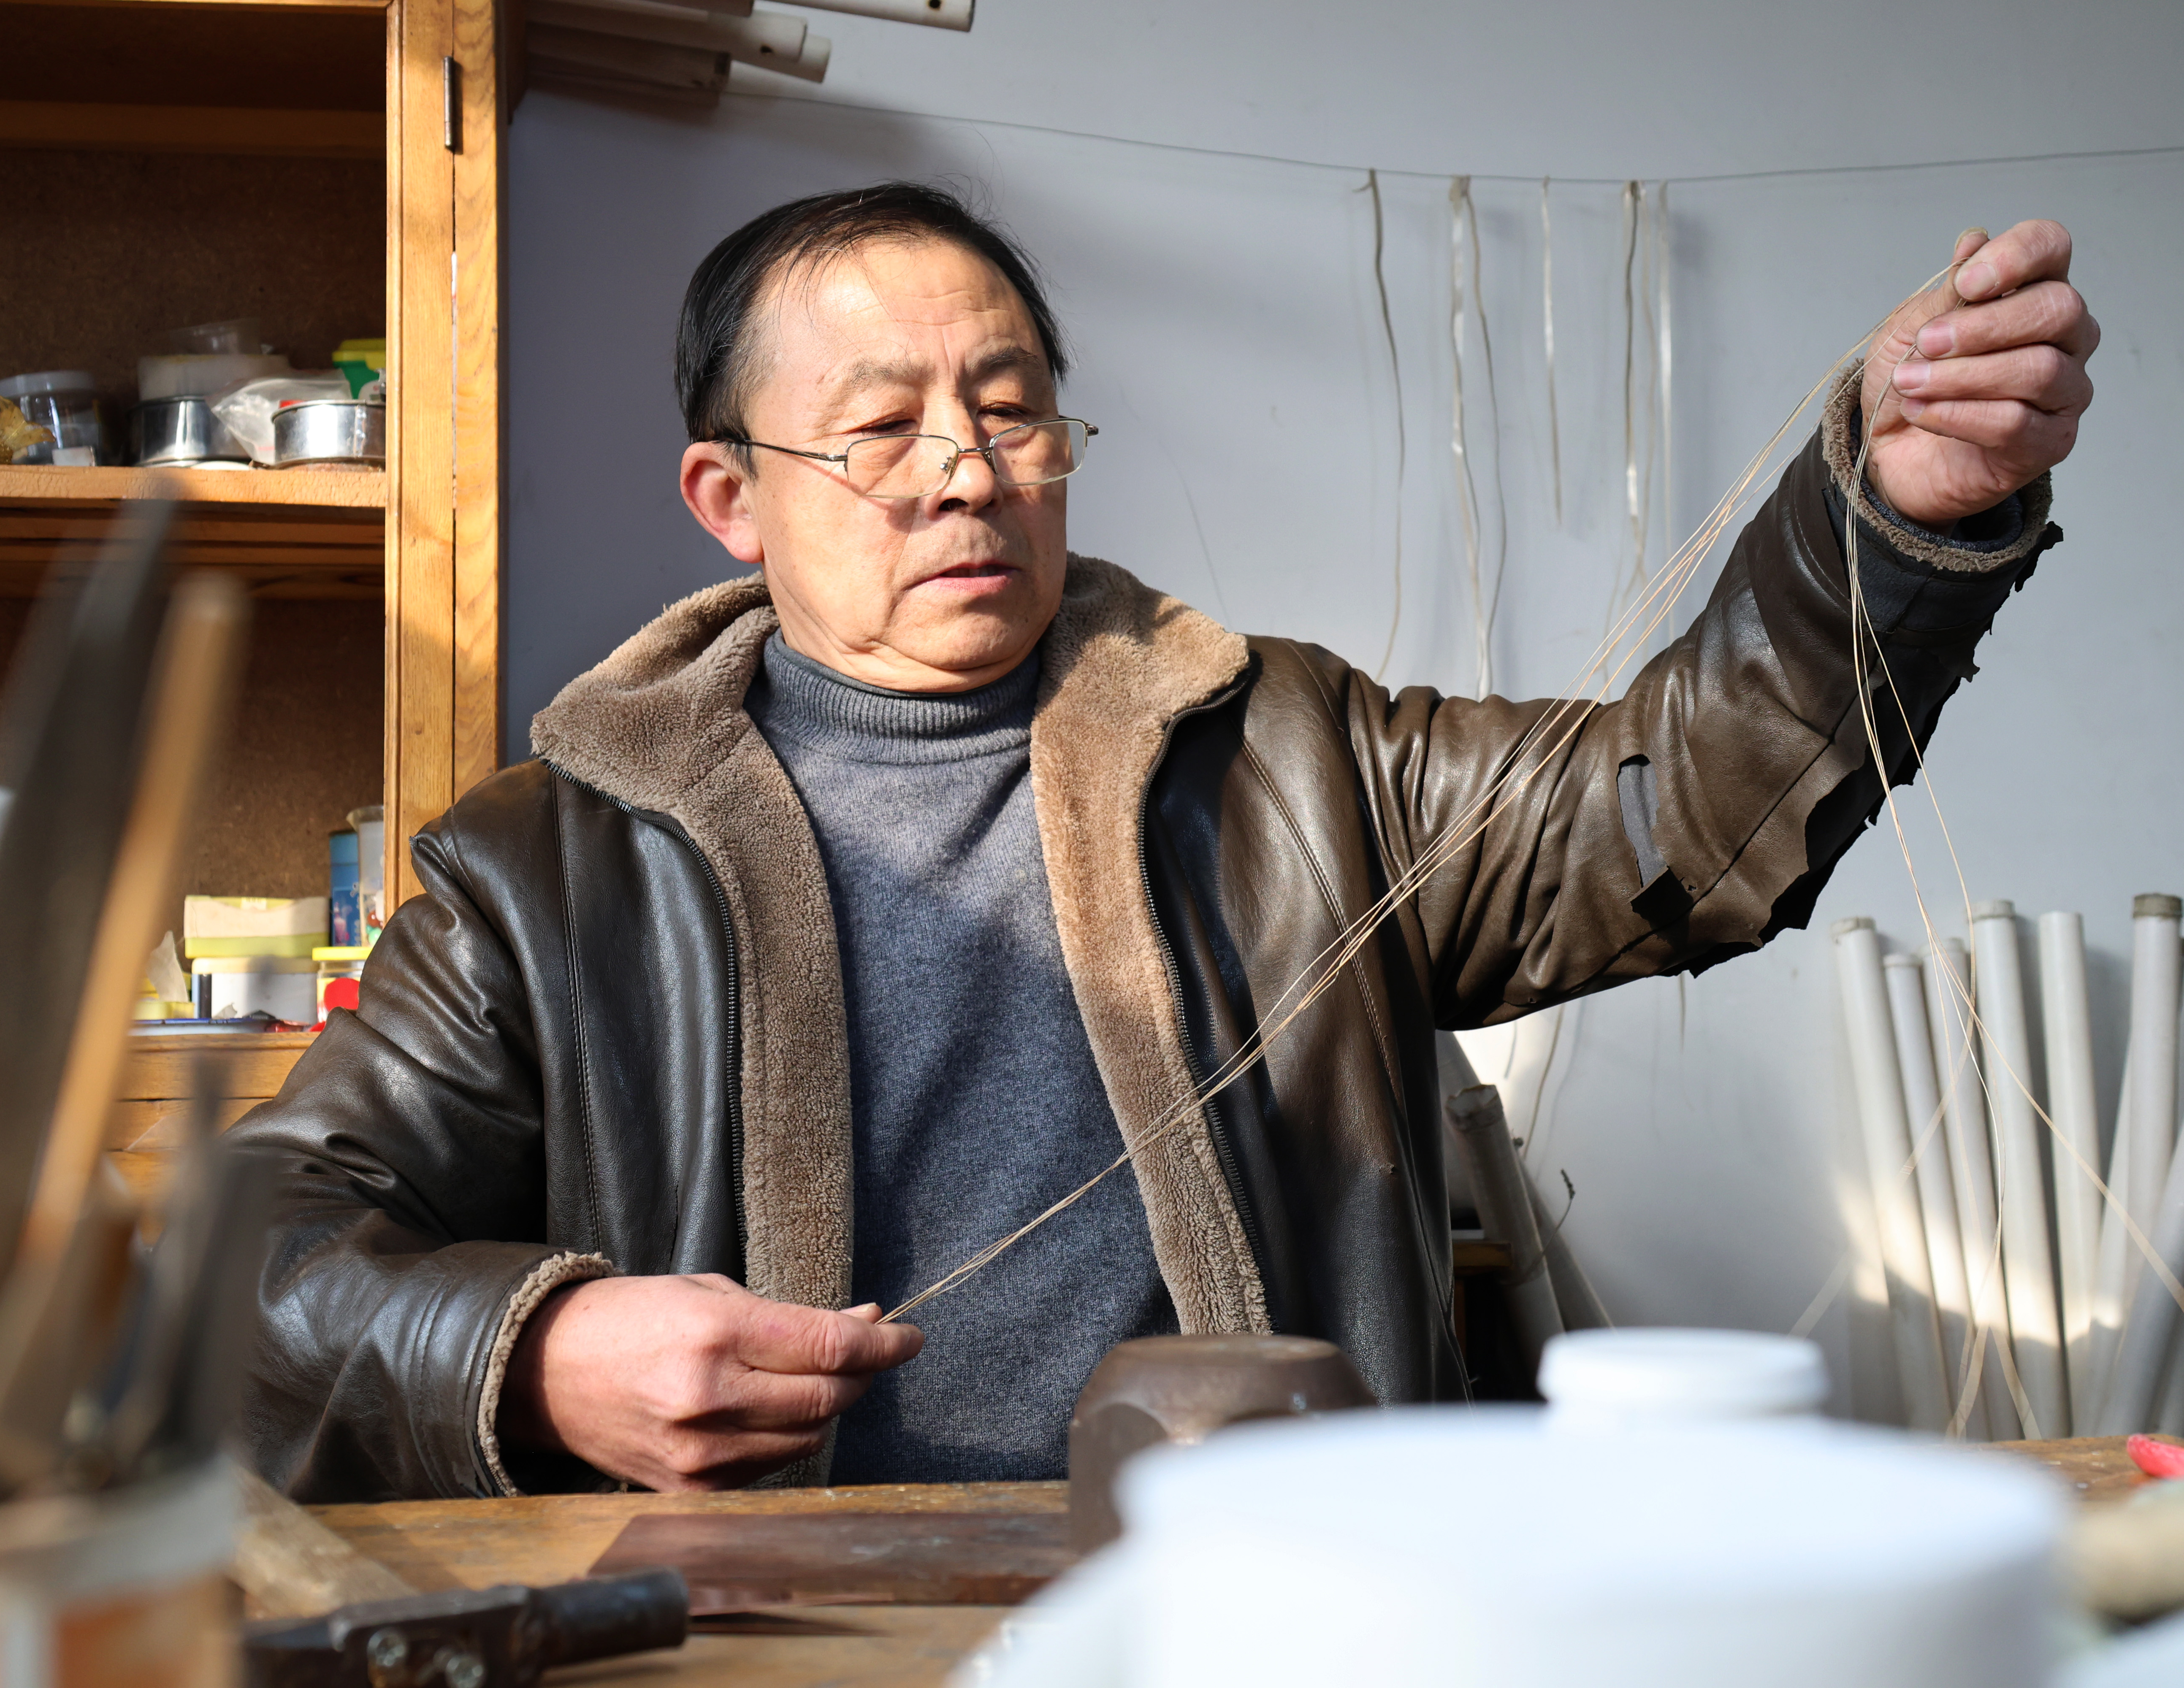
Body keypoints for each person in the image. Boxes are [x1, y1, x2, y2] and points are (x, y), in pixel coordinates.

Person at [236, 184, 2094, 1501]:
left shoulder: (1290, 753)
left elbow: (1666, 810)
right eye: (881, 431)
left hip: (1265, 1607)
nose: (967, 473)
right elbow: (255, 1251)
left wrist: (1891, 520)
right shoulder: (548, 870)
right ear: (731, 497)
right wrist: (540, 1352)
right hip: (784, 1627)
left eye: (1013, 412)